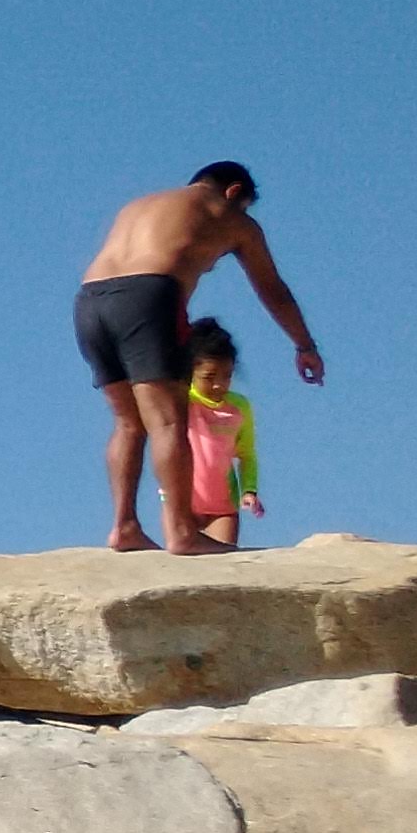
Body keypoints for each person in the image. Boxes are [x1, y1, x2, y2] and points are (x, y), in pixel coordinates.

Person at [74, 163, 323, 554]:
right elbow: (272, 289)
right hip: (151, 296)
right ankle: (182, 533)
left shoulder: (140, 205)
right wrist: (304, 345)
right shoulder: (231, 218)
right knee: (170, 420)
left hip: (90, 300)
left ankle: (124, 526)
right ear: (233, 192)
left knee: (128, 422)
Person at [182, 319, 259, 550]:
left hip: (223, 504)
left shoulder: (239, 406)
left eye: (226, 376)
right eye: (209, 377)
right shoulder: (183, 401)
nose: (218, 385)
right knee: (185, 565)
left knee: (222, 562)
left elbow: (247, 455)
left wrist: (249, 490)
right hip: (182, 502)